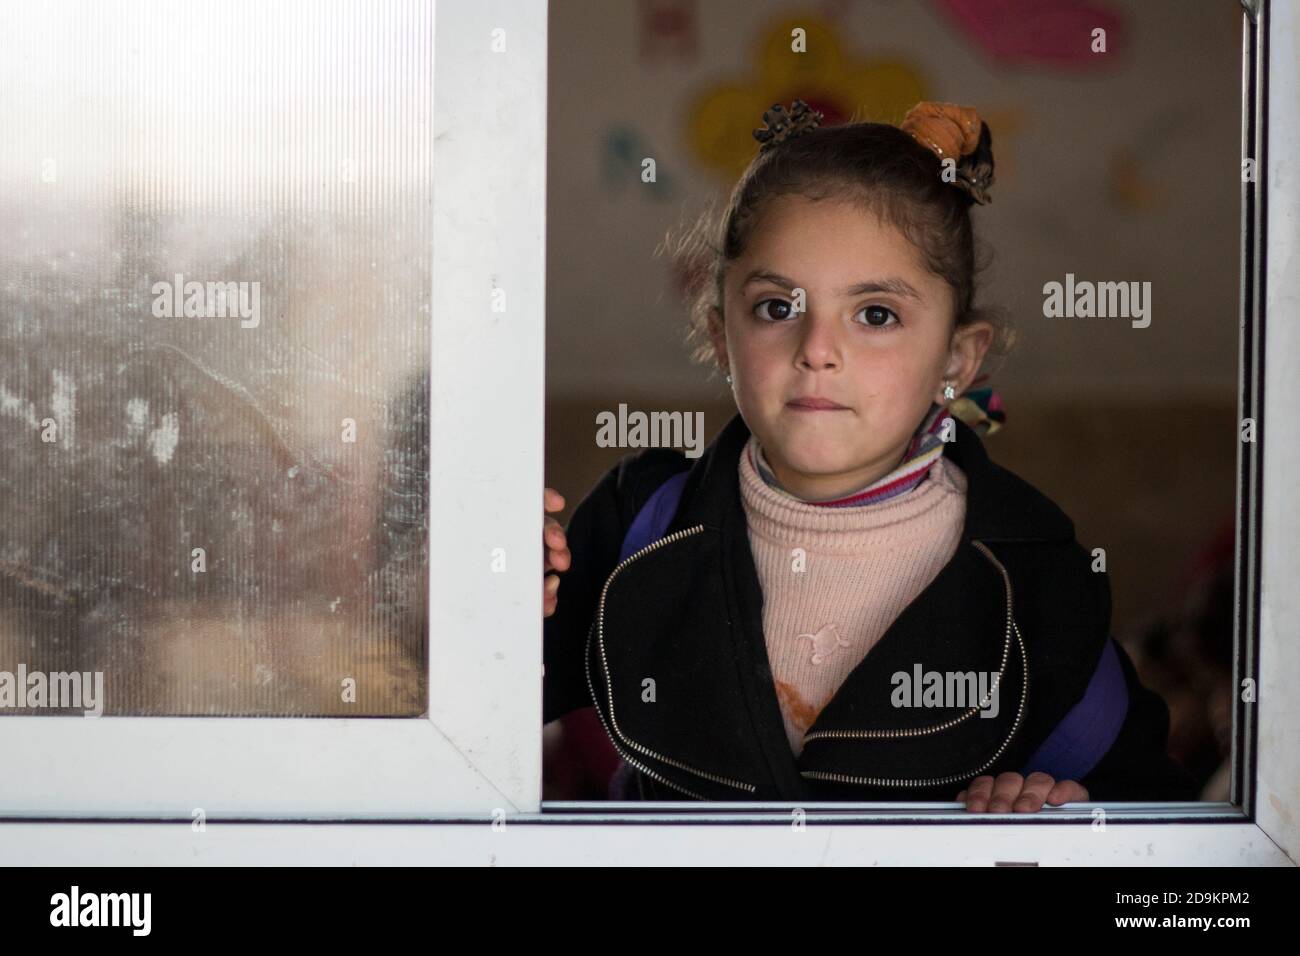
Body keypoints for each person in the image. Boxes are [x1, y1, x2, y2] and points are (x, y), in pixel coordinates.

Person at [542, 100, 1198, 810]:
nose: (818, 350)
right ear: (721, 335)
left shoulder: (1030, 575)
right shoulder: (643, 524)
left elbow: (1148, 808)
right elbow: (476, 704)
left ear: (958, 356)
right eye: (775, 308)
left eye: (877, 314)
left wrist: (1061, 811)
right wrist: (488, 598)